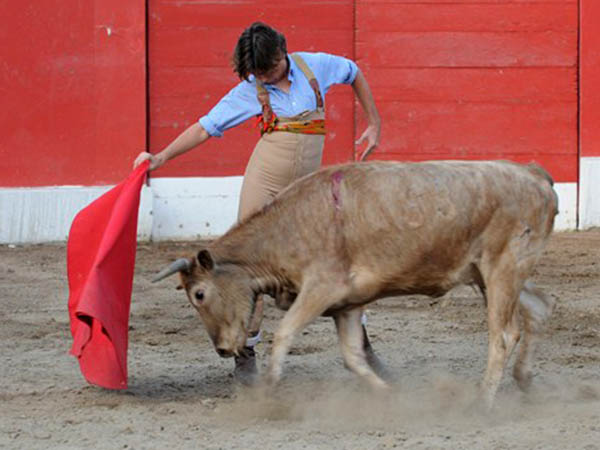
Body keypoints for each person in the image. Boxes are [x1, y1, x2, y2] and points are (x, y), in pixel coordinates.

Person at [134, 22, 385, 384]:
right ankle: (245, 358)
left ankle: (362, 348)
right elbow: (206, 127)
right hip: (264, 189)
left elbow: (354, 73)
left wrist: (374, 123)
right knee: (245, 271)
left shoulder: (316, 66)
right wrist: (160, 157)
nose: (262, 79)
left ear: (283, 53)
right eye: (256, 74)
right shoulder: (251, 89)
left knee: (335, 265)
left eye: (267, 70)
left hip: (303, 197)